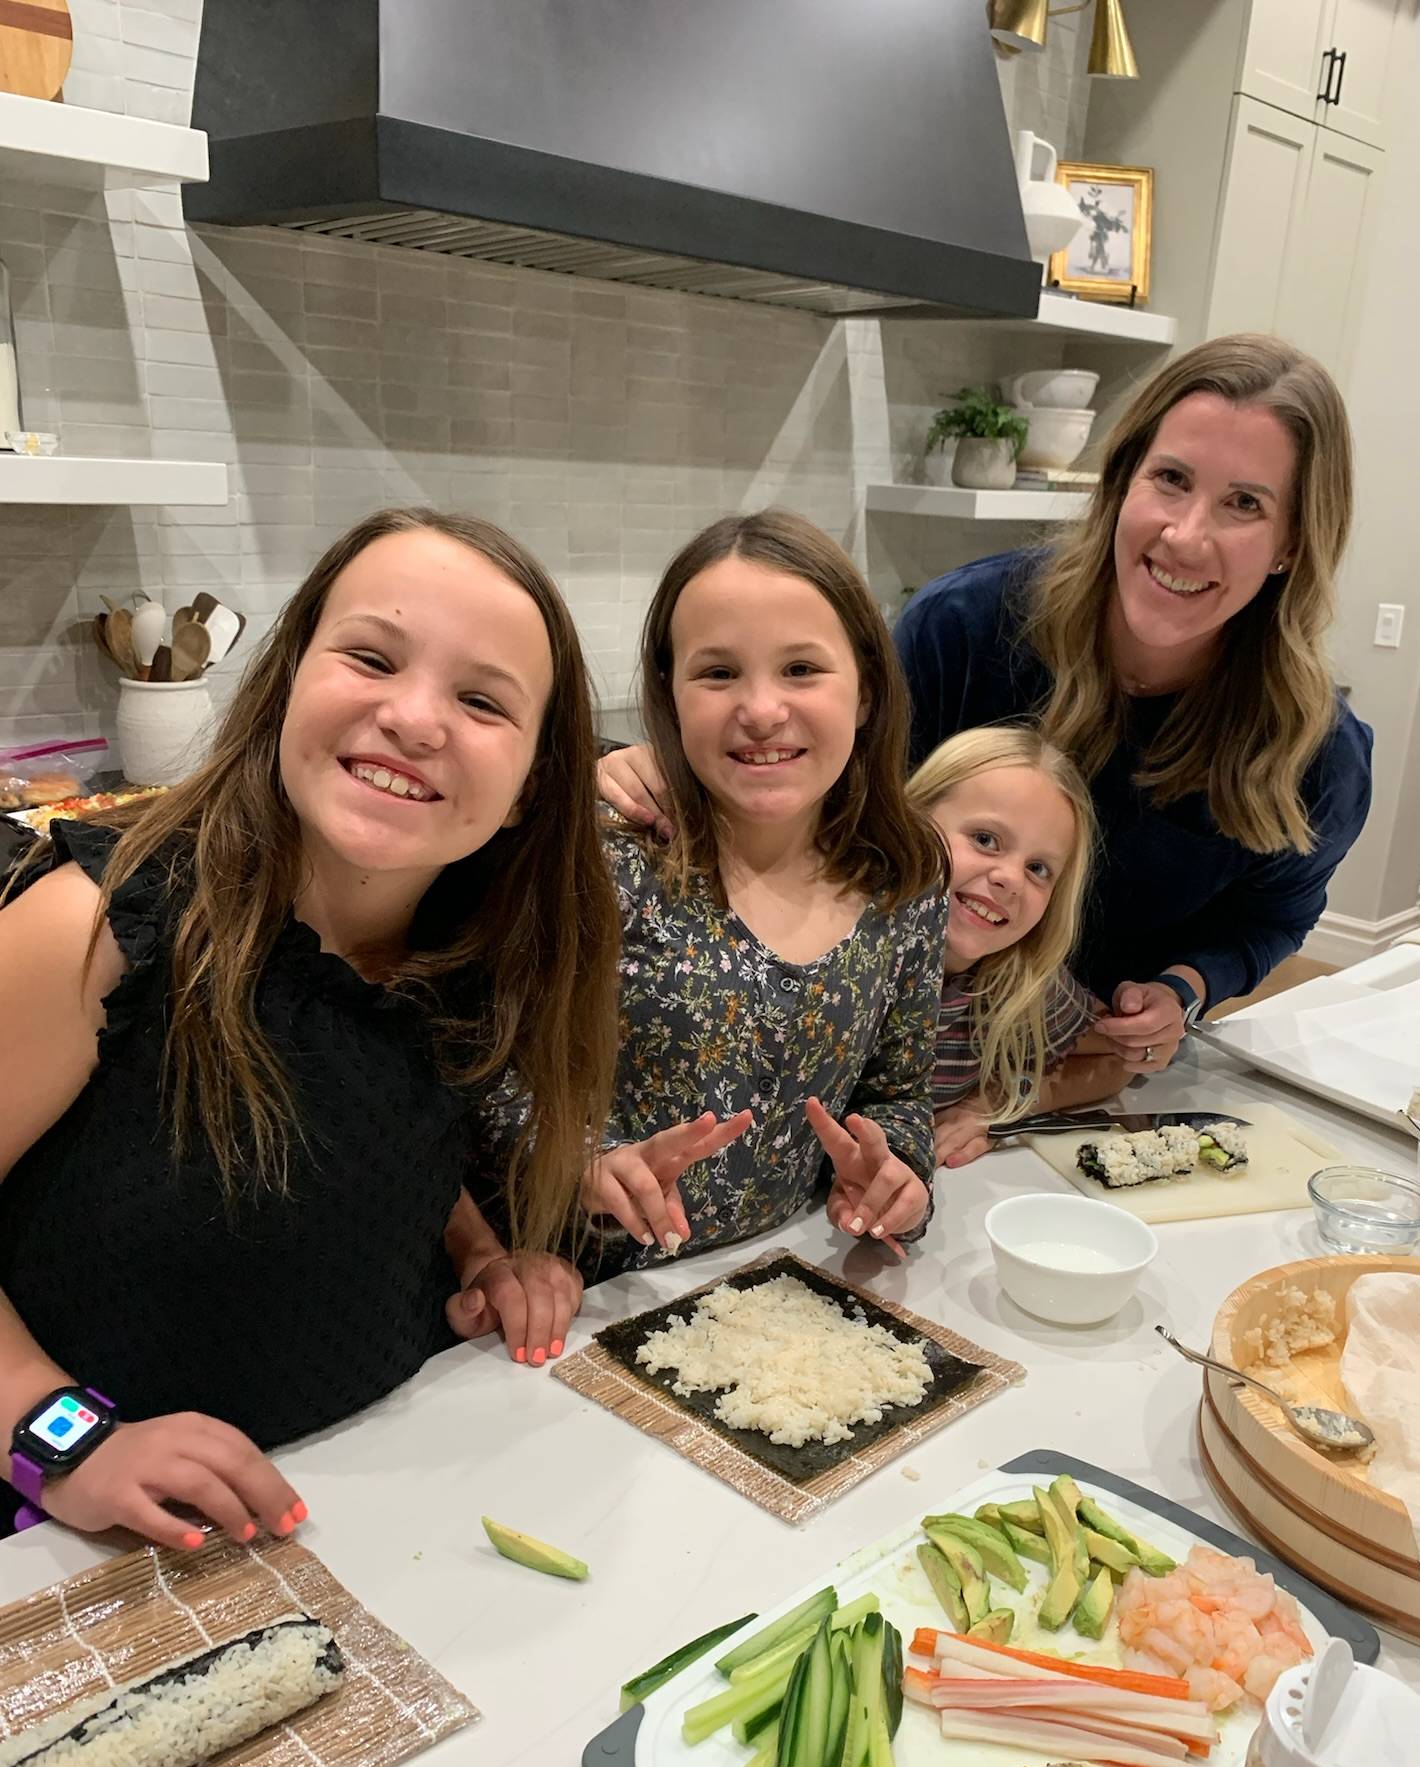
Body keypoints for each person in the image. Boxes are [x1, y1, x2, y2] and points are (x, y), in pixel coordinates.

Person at [0, 508, 617, 1545]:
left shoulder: (469, 955)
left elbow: (374, 1123)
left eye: (479, 700)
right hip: (90, 1543)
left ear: (527, 793)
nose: (417, 719)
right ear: (285, 685)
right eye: (372, 657)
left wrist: (478, 1252)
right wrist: (63, 1442)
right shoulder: (98, 927)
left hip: (383, 1501)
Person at [598, 335, 1372, 1072]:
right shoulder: (964, 627)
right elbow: (822, 797)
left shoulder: (1318, 756)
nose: (1185, 534)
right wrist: (682, 778)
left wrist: (1184, 988)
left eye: (1244, 504)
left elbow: (1269, 919)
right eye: (1170, 478)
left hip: (1095, 1069)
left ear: (1292, 544)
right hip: (887, 1050)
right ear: (1120, 480)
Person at [532, 508, 950, 1271]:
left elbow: (897, 1091)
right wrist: (579, 1164)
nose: (760, 710)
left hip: (799, 1277)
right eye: (718, 671)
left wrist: (902, 1176)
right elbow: (495, 1074)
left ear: (863, 688)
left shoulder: (905, 873)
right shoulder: (604, 855)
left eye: (800, 669)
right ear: (670, 691)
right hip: (597, 1296)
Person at [908, 727, 1139, 1171]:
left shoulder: (1017, 980)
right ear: (909, 819)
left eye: (1038, 868)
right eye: (985, 839)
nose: (1010, 878)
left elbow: (1118, 1057)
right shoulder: (833, 951)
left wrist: (996, 1103)